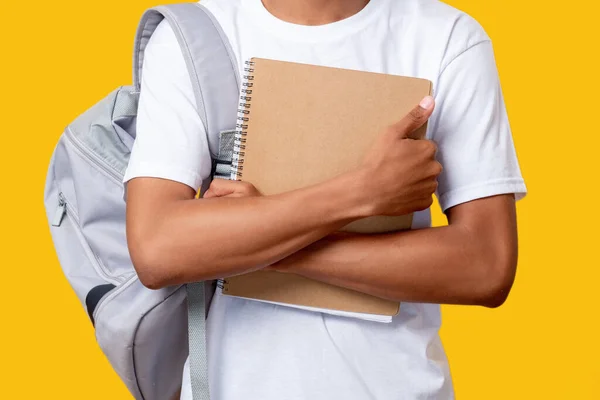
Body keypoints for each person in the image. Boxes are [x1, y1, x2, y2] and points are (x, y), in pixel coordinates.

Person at [123, 0, 527, 398]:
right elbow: (157, 250)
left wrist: (260, 245)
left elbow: (486, 266)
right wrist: (364, 192)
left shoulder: (446, 37)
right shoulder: (194, 38)